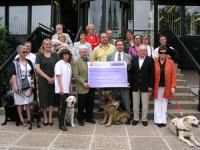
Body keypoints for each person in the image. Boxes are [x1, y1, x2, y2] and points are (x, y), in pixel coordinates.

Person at [107, 39, 132, 123]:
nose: (120, 46)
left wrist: (128, 64)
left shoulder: (128, 56)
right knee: (113, 100)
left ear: (123, 46)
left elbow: (130, 70)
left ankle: (128, 117)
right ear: (115, 46)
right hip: (113, 83)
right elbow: (107, 69)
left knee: (126, 101)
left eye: (121, 45)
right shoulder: (110, 56)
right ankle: (113, 117)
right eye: (118, 45)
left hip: (124, 83)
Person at [35, 38, 59, 126]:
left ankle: (50, 117)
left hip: (53, 80)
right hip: (43, 81)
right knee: (44, 99)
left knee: (51, 99)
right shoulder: (39, 55)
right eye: (46, 44)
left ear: (51, 45)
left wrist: (53, 78)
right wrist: (48, 78)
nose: (48, 46)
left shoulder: (55, 55)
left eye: (49, 44)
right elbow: (37, 68)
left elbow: (58, 67)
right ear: (43, 45)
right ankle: (45, 117)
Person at [130, 44, 154, 126]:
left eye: (144, 50)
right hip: (135, 85)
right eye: (141, 50)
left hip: (146, 85)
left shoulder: (150, 60)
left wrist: (151, 86)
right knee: (135, 104)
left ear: (146, 51)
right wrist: (130, 83)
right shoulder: (133, 60)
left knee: (145, 104)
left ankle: (144, 119)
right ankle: (136, 118)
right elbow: (131, 73)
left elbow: (152, 74)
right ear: (138, 51)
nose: (142, 51)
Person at [11, 45, 35, 126]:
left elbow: (32, 74)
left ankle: (29, 118)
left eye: (26, 51)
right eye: (23, 51)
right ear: (19, 52)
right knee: (19, 102)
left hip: (28, 84)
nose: (25, 52)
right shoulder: (15, 62)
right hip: (19, 84)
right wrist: (15, 86)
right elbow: (13, 75)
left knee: (28, 102)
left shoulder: (29, 61)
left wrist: (33, 85)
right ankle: (21, 119)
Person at [91, 33, 116, 112]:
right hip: (100, 74)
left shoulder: (113, 48)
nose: (104, 39)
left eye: (106, 37)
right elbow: (92, 60)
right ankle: (102, 105)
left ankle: (111, 104)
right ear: (100, 39)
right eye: (103, 37)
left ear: (108, 38)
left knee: (110, 90)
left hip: (111, 73)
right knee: (100, 91)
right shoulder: (96, 49)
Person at [154, 46, 176, 128]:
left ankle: (163, 120)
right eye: (161, 53)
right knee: (157, 103)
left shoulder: (171, 62)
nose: (163, 54)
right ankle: (158, 120)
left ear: (166, 54)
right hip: (157, 86)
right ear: (159, 53)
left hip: (167, 86)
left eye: (165, 53)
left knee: (164, 103)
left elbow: (173, 76)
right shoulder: (155, 62)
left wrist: (173, 86)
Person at [72, 47, 96, 126]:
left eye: (86, 52)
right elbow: (76, 75)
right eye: (83, 52)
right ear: (80, 53)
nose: (85, 54)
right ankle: (80, 118)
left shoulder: (91, 61)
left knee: (90, 103)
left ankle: (89, 117)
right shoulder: (76, 62)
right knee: (81, 104)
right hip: (82, 86)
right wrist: (83, 82)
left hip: (91, 85)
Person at [54, 49, 72, 131]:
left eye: (67, 54)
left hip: (66, 89)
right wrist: (61, 88)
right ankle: (61, 124)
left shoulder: (68, 64)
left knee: (65, 107)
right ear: (62, 55)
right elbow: (58, 76)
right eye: (64, 54)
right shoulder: (59, 64)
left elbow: (69, 77)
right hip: (61, 89)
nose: (66, 56)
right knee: (61, 107)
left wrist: (70, 86)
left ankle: (64, 121)